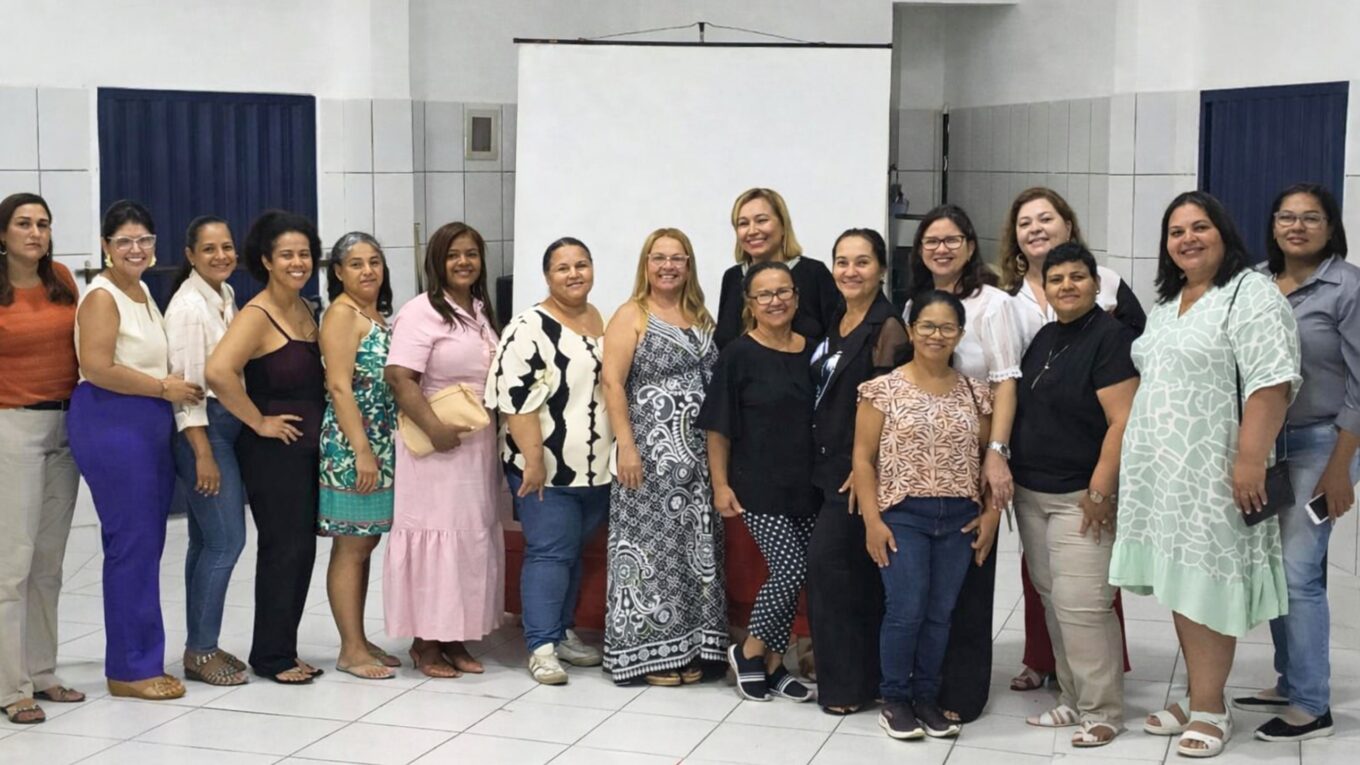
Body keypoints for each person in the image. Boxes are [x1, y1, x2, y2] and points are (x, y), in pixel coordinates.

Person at [1112, 191, 1300, 757]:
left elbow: (1272, 381)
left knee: (1208, 589)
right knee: (1180, 583)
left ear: (1224, 233)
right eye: (1176, 232)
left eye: (1200, 227)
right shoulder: (1169, 305)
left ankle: (1212, 709)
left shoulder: (1250, 293)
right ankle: (1199, 694)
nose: (1187, 239)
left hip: (1215, 470)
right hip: (1164, 474)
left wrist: (1250, 460)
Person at [998, 188, 1139, 693]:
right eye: (1025, 222)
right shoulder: (1019, 311)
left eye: (1046, 218)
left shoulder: (1110, 313)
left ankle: (1099, 700)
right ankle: (1062, 680)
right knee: (1049, 589)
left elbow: (1127, 401)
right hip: (1034, 479)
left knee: (1084, 596)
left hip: (1083, 481)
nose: (1035, 228)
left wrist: (1102, 487)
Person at [1233, 184, 1360, 743]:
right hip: (1269, 444)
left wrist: (1340, 467)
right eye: (1287, 217)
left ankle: (1312, 705)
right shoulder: (1256, 282)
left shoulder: (1348, 287)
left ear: (1330, 228)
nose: (1297, 226)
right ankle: (1290, 680)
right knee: (1277, 565)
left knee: (1298, 570)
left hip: (1323, 443)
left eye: (1311, 218)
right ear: (1274, 225)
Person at [67, 199, 203, 700]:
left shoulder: (142, 290)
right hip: (112, 420)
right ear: (106, 246)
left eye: (144, 240)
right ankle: (130, 668)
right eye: (124, 240)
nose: (135, 249)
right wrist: (163, 388)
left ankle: (140, 656)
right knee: (132, 546)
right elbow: (97, 366)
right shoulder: (102, 297)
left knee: (144, 544)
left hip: (144, 421)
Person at [854, 290, 994, 741]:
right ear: (912, 331)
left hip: (959, 518)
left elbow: (988, 460)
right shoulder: (883, 389)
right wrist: (873, 521)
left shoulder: (975, 392)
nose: (937, 335)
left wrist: (990, 513)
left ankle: (927, 698)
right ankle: (895, 699)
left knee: (940, 613)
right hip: (903, 515)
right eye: (928, 326)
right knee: (906, 609)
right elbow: (862, 459)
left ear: (960, 334)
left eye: (947, 327)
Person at [901, 204, 1013, 722]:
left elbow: (1005, 382)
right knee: (924, 592)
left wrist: (997, 454)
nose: (941, 249)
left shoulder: (993, 304)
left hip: (979, 456)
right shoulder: (915, 304)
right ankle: (918, 686)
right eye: (931, 241)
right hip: (925, 468)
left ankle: (961, 694)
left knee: (968, 582)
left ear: (969, 246)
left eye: (951, 240)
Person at [601, 228, 726, 686]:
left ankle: (690, 647)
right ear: (646, 264)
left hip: (699, 461)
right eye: (659, 257)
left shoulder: (701, 315)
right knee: (651, 552)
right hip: (649, 459)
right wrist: (627, 446)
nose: (668, 266)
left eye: (677, 258)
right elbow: (612, 382)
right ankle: (649, 652)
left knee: (695, 551)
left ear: (689, 265)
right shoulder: (631, 314)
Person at [486, 237, 613, 685]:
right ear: (547, 276)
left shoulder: (602, 319)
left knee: (572, 552)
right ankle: (541, 647)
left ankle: (562, 632)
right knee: (550, 553)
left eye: (582, 264)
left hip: (597, 467)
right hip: (545, 467)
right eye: (563, 267)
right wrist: (533, 460)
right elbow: (514, 400)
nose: (574, 274)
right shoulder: (528, 327)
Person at [206, 210, 326, 685]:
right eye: (287, 255)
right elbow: (218, 372)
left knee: (301, 550)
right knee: (282, 549)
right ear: (266, 261)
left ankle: (284, 648)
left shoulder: (305, 308)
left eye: (304, 254)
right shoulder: (257, 315)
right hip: (274, 454)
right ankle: (271, 656)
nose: (298, 263)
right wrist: (257, 421)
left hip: (307, 449)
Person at [384, 222, 504, 678]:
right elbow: (399, 378)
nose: (463, 262)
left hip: (475, 445)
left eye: (471, 254)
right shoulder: (420, 312)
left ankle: (454, 635)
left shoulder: (478, 309)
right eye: (453, 255)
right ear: (437, 261)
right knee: (436, 537)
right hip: (434, 448)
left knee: (468, 538)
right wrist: (434, 430)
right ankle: (425, 642)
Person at [699, 260, 819, 704]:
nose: (775, 301)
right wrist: (720, 485)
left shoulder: (815, 352)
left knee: (798, 574)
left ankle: (774, 664)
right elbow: (718, 428)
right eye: (764, 294)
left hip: (806, 486)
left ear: (797, 298)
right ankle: (748, 651)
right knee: (789, 569)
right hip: (756, 485)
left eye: (783, 291)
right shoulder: (738, 354)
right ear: (749, 304)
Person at [806, 228, 908, 715]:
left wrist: (865, 467)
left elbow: (892, 406)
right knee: (848, 579)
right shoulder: (838, 319)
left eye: (862, 262)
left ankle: (848, 688)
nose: (851, 271)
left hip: (856, 474)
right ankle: (859, 680)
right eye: (842, 262)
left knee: (833, 573)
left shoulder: (888, 327)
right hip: (825, 468)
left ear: (882, 269)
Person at [0, 193, 84, 723]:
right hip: (13, 426)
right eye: (23, 224)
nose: (35, 232)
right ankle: (12, 686)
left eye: (43, 224)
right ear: (2, 234)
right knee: (13, 563)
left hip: (67, 425)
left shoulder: (62, 280)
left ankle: (43, 670)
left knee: (49, 562)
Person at [165, 216, 248, 686]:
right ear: (190, 255)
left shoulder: (224, 294)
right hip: (204, 430)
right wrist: (202, 453)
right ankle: (200, 651)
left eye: (227, 247)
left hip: (223, 425)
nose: (221, 256)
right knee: (226, 541)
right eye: (210, 249)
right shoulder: (188, 308)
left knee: (204, 542)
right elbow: (188, 392)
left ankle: (201, 645)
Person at [317, 232, 398, 679]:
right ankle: (350, 649)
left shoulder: (374, 314)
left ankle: (360, 638)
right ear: (338, 272)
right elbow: (338, 385)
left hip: (380, 440)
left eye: (374, 262)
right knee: (351, 545)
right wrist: (362, 450)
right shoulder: (342, 314)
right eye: (356, 263)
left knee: (366, 542)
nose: (368, 271)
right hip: (353, 446)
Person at [713, 188, 838, 349]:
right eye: (743, 223)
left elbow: (836, 338)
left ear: (783, 225)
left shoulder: (814, 273)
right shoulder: (732, 277)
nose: (752, 231)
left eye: (761, 220)